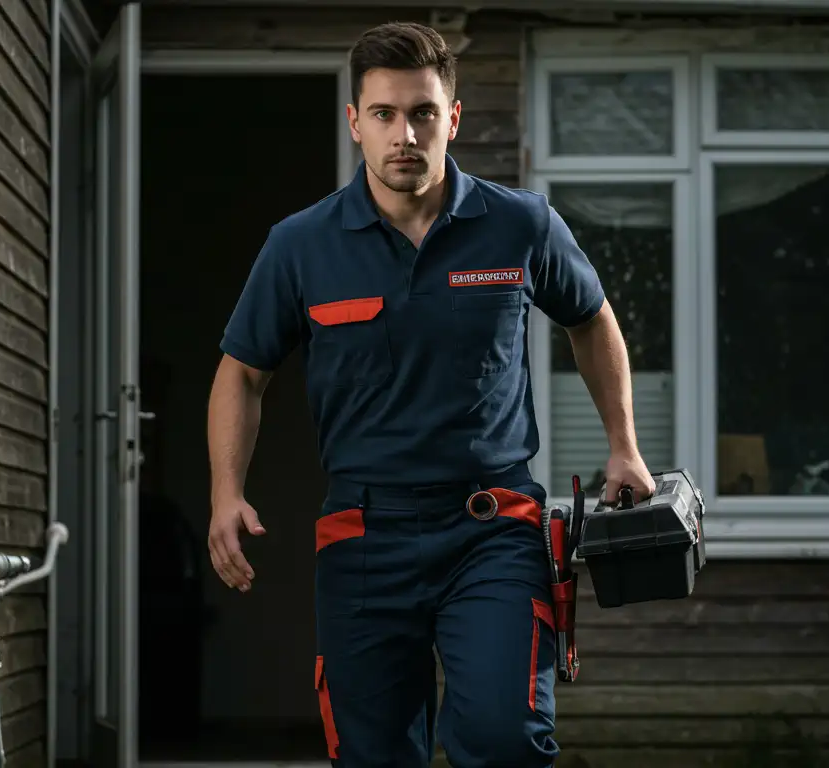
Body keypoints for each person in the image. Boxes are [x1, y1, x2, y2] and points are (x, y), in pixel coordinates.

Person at [206, 21, 655, 768]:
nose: (405, 134)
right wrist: (226, 492)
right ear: (356, 122)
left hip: (494, 528)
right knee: (372, 753)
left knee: (505, 740)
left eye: (422, 113)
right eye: (384, 114)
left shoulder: (520, 225)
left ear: (453, 118)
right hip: (362, 536)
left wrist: (624, 447)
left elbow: (591, 318)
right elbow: (243, 372)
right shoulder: (301, 245)